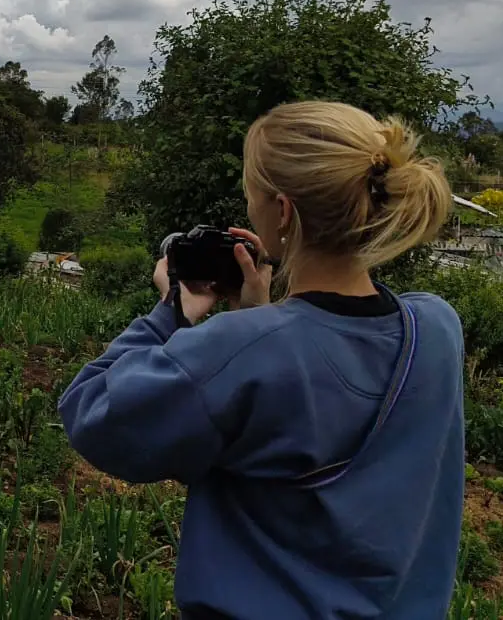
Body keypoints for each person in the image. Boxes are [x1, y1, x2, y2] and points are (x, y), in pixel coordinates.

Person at [59, 102, 464, 619]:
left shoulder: (237, 348)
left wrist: (169, 313)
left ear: (283, 211)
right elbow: (320, 371)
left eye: (252, 195)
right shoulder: (436, 328)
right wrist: (263, 317)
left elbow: (94, 414)